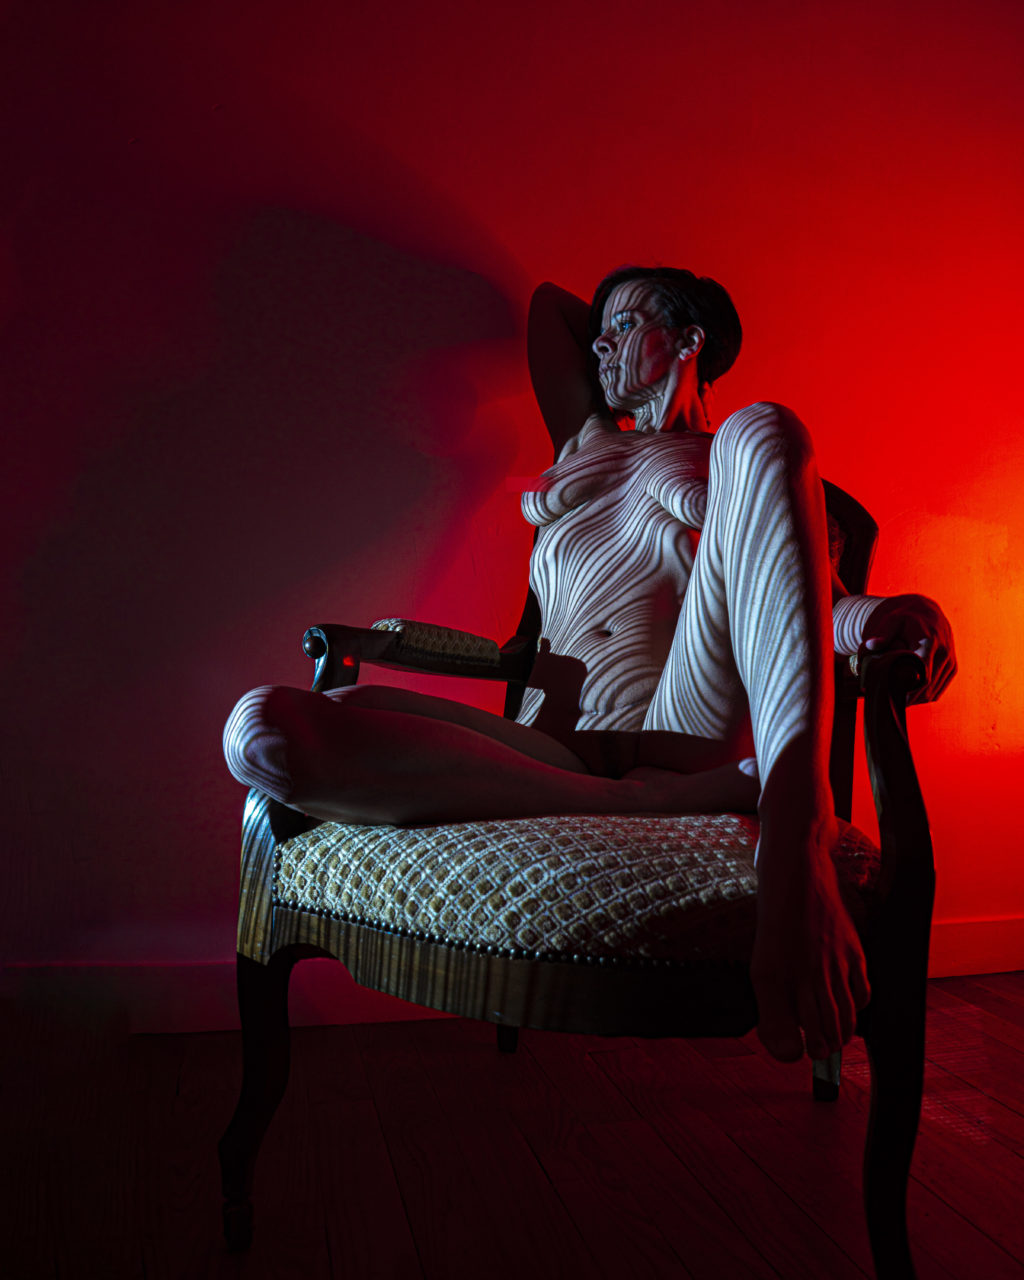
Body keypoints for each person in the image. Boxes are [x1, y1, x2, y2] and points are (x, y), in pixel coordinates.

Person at [224, 265, 955, 1065]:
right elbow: (552, 312)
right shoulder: (585, 444)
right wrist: (627, 322)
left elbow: (802, 605)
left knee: (764, 426)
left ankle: (794, 843)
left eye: (627, 325)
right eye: (599, 332)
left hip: (682, 730)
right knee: (264, 733)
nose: (600, 344)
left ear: (690, 340)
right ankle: (634, 802)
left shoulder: (731, 461)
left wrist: (891, 617)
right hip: (552, 748)